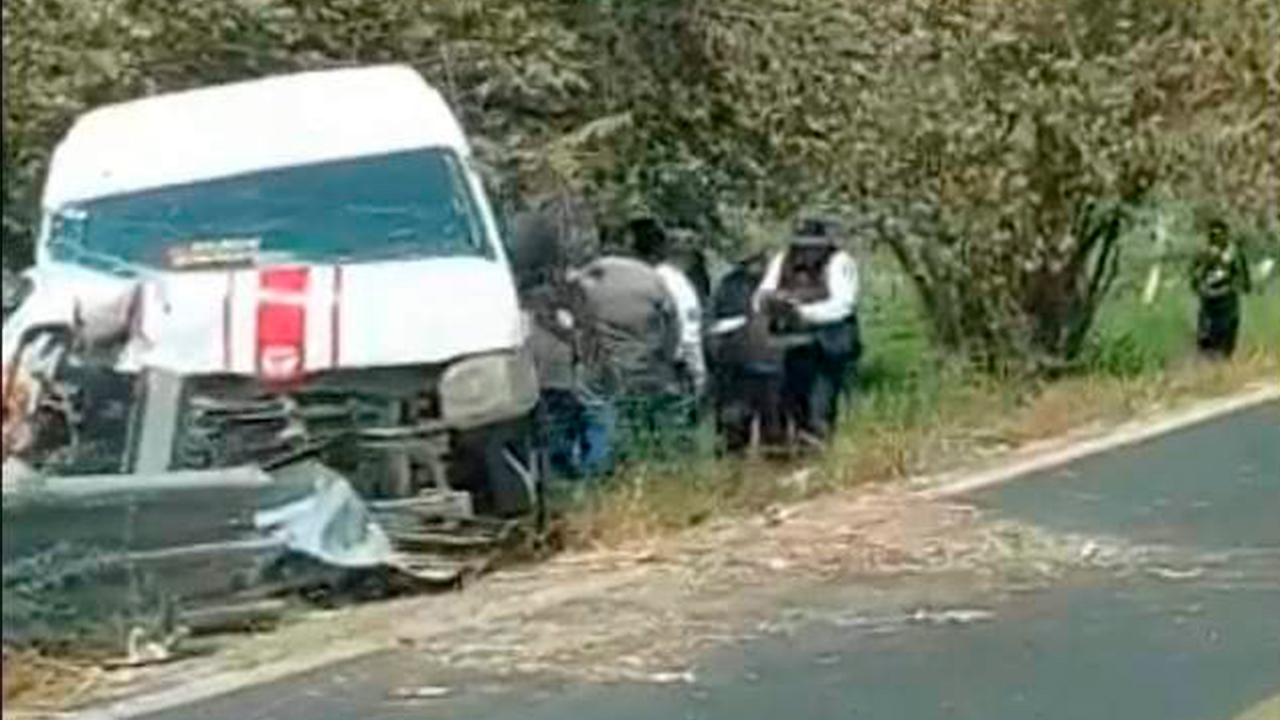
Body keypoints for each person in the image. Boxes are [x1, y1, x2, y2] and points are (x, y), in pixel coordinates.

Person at [753, 216, 861, 446]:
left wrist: (802, 313)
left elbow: (843, 305)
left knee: (819, 410)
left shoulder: (840, 262)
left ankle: (819, 461)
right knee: (789, 409)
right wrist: (771, 304)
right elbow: (762, 295)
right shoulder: (782, 260)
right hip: (792, 347)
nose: (806, 251)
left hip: (828, 349)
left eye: (812, 246)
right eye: (802, 245)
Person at [707, 252, 786, 455]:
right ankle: (774, 471)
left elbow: (713, 328)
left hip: (735, 366)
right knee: (773, 429)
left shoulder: (726, 285)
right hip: (771, 365)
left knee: (734, 431)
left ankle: (732, 472)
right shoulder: (777, 285)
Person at [629, 217, 708, 398]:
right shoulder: (675, 283)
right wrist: (698, 370)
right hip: (673, 365)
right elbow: (687, 332)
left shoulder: (661, 278)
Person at [1190, 217, 1251, 359]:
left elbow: (1243, 277)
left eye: (1219, 235)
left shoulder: (1234, 253)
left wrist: (1236, 286)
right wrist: (1205, 269)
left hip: (1227, 300)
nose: (1216, 238)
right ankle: (1206, 366)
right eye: (1212, 235)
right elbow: (1194, 276)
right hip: (1209, 300)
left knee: (1227, 336)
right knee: (1205, 338)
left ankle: (1223, 365)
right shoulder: (1203, 253)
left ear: (1226, 235)